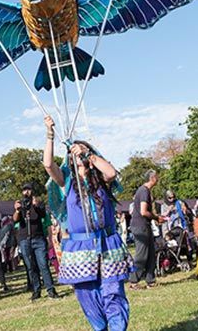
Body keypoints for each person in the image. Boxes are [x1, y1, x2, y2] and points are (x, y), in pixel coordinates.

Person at [44, 116, 133, 331]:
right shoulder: (66, 181)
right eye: (75, 153)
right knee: (88, 298)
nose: (78, 156)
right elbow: (48, 164)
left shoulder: (101, 178)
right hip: (80, 248)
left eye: (82, 152)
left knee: (113, 294)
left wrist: (87, 153)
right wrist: (50, 134)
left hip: (107, 244)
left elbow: (112, 172)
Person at [13, 183, 58, 301]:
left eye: (28, 189)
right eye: (24, 190)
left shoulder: (38, 202)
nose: (26, 192)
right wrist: (17, 210)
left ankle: (50, 290)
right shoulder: (21, 204)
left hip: (38, 238)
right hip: (24, 239)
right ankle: (36, 290)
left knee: (43, 264)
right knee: (30, 266)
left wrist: (37, 206)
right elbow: (15, 220)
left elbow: (43, 215)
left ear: (32, 191)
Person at [129, 170, 165, 290]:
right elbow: (144, 211)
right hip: (140, 226)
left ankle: (150, 280)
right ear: (152, 178)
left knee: (150, 253)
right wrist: (156, 217)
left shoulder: (145, 191)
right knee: (142, 254)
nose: (158, 179)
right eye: (157, 176)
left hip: (145, 225)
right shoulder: (144, 191)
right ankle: (134, 281)